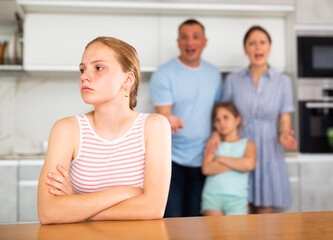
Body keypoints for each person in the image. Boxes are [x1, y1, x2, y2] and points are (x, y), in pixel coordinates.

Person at [37, 36, 171, 224]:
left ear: (128, 79)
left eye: (98, 68)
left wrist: (75, 203)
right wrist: (122, 192)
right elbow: (48, 212)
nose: (84, 76)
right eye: (82, 69)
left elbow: (153, 208)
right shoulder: (66, 130)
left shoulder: (154, 126)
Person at [207, 25, 297, 214]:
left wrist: (284, 135)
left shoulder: (283, 82)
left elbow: (284, 117)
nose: (258, 47)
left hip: (269, 150)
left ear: (269, 47)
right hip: (240, 149)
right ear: (245, 49)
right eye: (252, 43)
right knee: (240, 207)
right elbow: (222, 113)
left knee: (266, 211)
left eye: (262, 42)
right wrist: (215, 135)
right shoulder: (233, 79)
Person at [149, 19, 222, 217]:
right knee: (171, 221)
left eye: (195, 37)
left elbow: (218, 114)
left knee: (196, 224)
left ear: (204, 42)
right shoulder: (164, 74)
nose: (190, 42)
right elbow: (164, 115)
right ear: (178, 42)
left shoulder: (214, 74)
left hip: (203, 160)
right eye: (185, 37)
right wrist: (169, 120)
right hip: (171, 160)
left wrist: (216, 135)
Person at [201, 102, 256, 216]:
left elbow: (249, 165)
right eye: (217, 120)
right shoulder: (214, 143)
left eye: (226, 117)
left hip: (237, 198)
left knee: (236, 233)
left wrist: (220, 158)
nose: (222, 123)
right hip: (212, 196)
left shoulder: (248, 144)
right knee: (214, 233)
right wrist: (238, 164)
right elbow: (206, 168)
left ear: (237, 119)